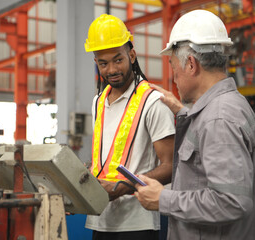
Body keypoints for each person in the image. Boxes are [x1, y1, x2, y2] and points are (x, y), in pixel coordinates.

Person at [134, 10, 255, 240]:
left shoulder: (218, 119)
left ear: (191, 65)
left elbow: (231, 202)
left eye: (174, 69)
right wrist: (184, 113)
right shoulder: (223, 108)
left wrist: (163, 198)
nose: (174, 78)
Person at [84, 14, 175, 240]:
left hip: (138, 223)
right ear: (96, 63)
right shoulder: (98, 102)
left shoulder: (153, 102)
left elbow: (172, 166)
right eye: (103, 63)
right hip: (100, 219)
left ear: (131, 55)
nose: (112, 69)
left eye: (118, 60)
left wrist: (125, 186)